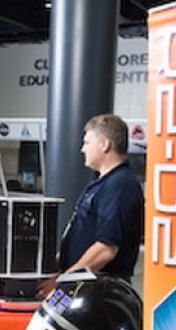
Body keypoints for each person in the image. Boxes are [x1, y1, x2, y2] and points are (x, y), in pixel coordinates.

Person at [41, 114, 144, 296]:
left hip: (97, 293)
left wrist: (61, 284)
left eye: (87, 143)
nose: (82, 149)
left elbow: (105, 249)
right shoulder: (103, 183)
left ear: (104, 144)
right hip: (78, 284)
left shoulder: (120, 185)